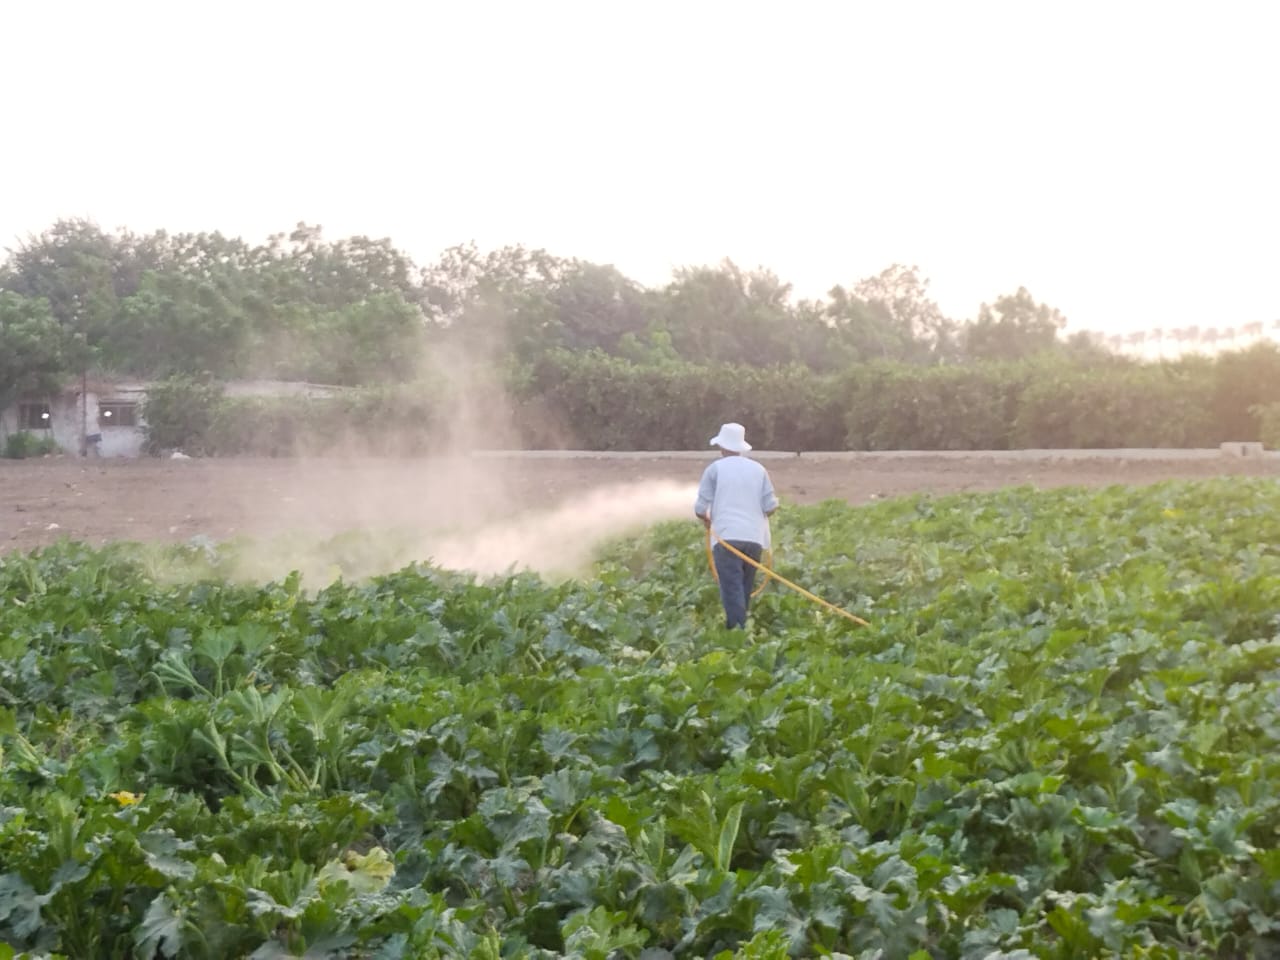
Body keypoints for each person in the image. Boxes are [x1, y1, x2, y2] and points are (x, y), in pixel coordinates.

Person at [694, 422, 779, 629]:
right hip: (753, 540)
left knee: (732, 590)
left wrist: (707, 520)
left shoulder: (714, 469)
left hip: (726, 539)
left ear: (722, 446)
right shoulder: (759, 469)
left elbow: (699, 508)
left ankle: (738, 636)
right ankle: (742, 633)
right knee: (743, 588)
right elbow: (770, 506)